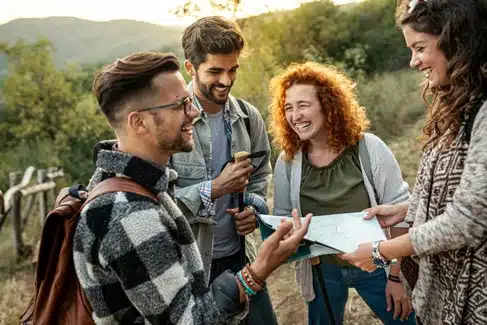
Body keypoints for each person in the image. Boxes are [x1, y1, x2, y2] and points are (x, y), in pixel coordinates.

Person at [73, 51, 311, 324]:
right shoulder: (130, 215)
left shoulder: (141, 185)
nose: (194, 112)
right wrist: (258, 271)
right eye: (179, 106)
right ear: (139, 122)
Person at [340, 1, 487, 324]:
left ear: (457, 40)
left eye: (419, 48)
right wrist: (408, 210)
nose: (413, 61)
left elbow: (469, 220)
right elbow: (450, 188)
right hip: (438, 298)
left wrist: (381, 250)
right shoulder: (453, 104)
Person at [268, 61, 416, 325]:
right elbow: (282, 219)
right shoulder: (288, 162)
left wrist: (397, 275)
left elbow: (400, 212)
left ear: (327, 104)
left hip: (376, 264)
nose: (295, 115)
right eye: (288, 108)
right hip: (321, 271)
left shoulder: (369, 149)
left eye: (303, 105)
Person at [168, 16, 277, 324]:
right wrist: (215, 188)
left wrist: (254, 209)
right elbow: (157, 204)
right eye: (215, 71)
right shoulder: (171, 122)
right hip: (190, 266)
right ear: (190, 68)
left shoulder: (248, 117)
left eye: (233, 70)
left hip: (242, 258)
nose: (226, 81)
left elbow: (259, 177)